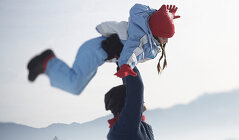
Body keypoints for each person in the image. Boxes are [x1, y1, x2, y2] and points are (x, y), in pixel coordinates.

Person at [27, 3, 180, 95]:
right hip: (93, 52)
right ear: (155, 32)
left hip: (96, 54)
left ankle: (48, 66)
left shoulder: (146, 27)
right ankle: (48, 62)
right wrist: (126, 66)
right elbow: (131, 53)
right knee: (74, 85)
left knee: (76, 85)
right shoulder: (139, 39)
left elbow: (155, 19)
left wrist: (168, 16)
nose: (166, 41)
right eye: (165, 36)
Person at [105, 67, 160, 140]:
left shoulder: (131, 126)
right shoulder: (126, 126)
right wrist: (127, 62)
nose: (141, 100)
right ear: (127, 103)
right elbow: (136, 88)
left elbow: (133, 90)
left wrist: (121, 65)